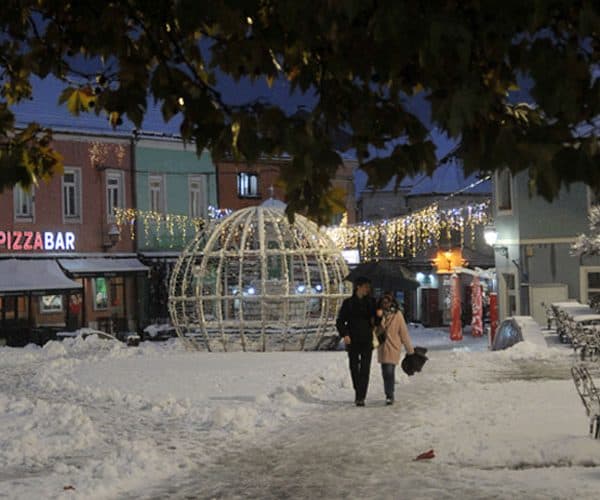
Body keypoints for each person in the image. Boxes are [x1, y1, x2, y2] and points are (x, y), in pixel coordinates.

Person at [336, 276, 378, 406]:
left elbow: (375, 322)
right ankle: (358, 391)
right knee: (354, 367)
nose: (367, 289)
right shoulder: (348, 303)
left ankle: (361, 396)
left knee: (365, 369)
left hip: (366, 339)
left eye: (368, 287)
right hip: (352, 340)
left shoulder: (371, 302)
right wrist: (345, 335)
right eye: (365, 287)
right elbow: (340, 321)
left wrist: (378, 316)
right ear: (358, 287)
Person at [376, 292, 415, 405]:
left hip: (393, 347)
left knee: (389, 371)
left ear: (392, 302)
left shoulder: (397, 315)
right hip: (383, 347)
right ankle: (389, 393)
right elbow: (375, 331)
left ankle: (389, 394)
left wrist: (410, 350)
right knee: (385, 372)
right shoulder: (378, 315)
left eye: (388, 302)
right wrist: (378, 320)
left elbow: (403, 333)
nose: (386, 304)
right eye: (384, 302)